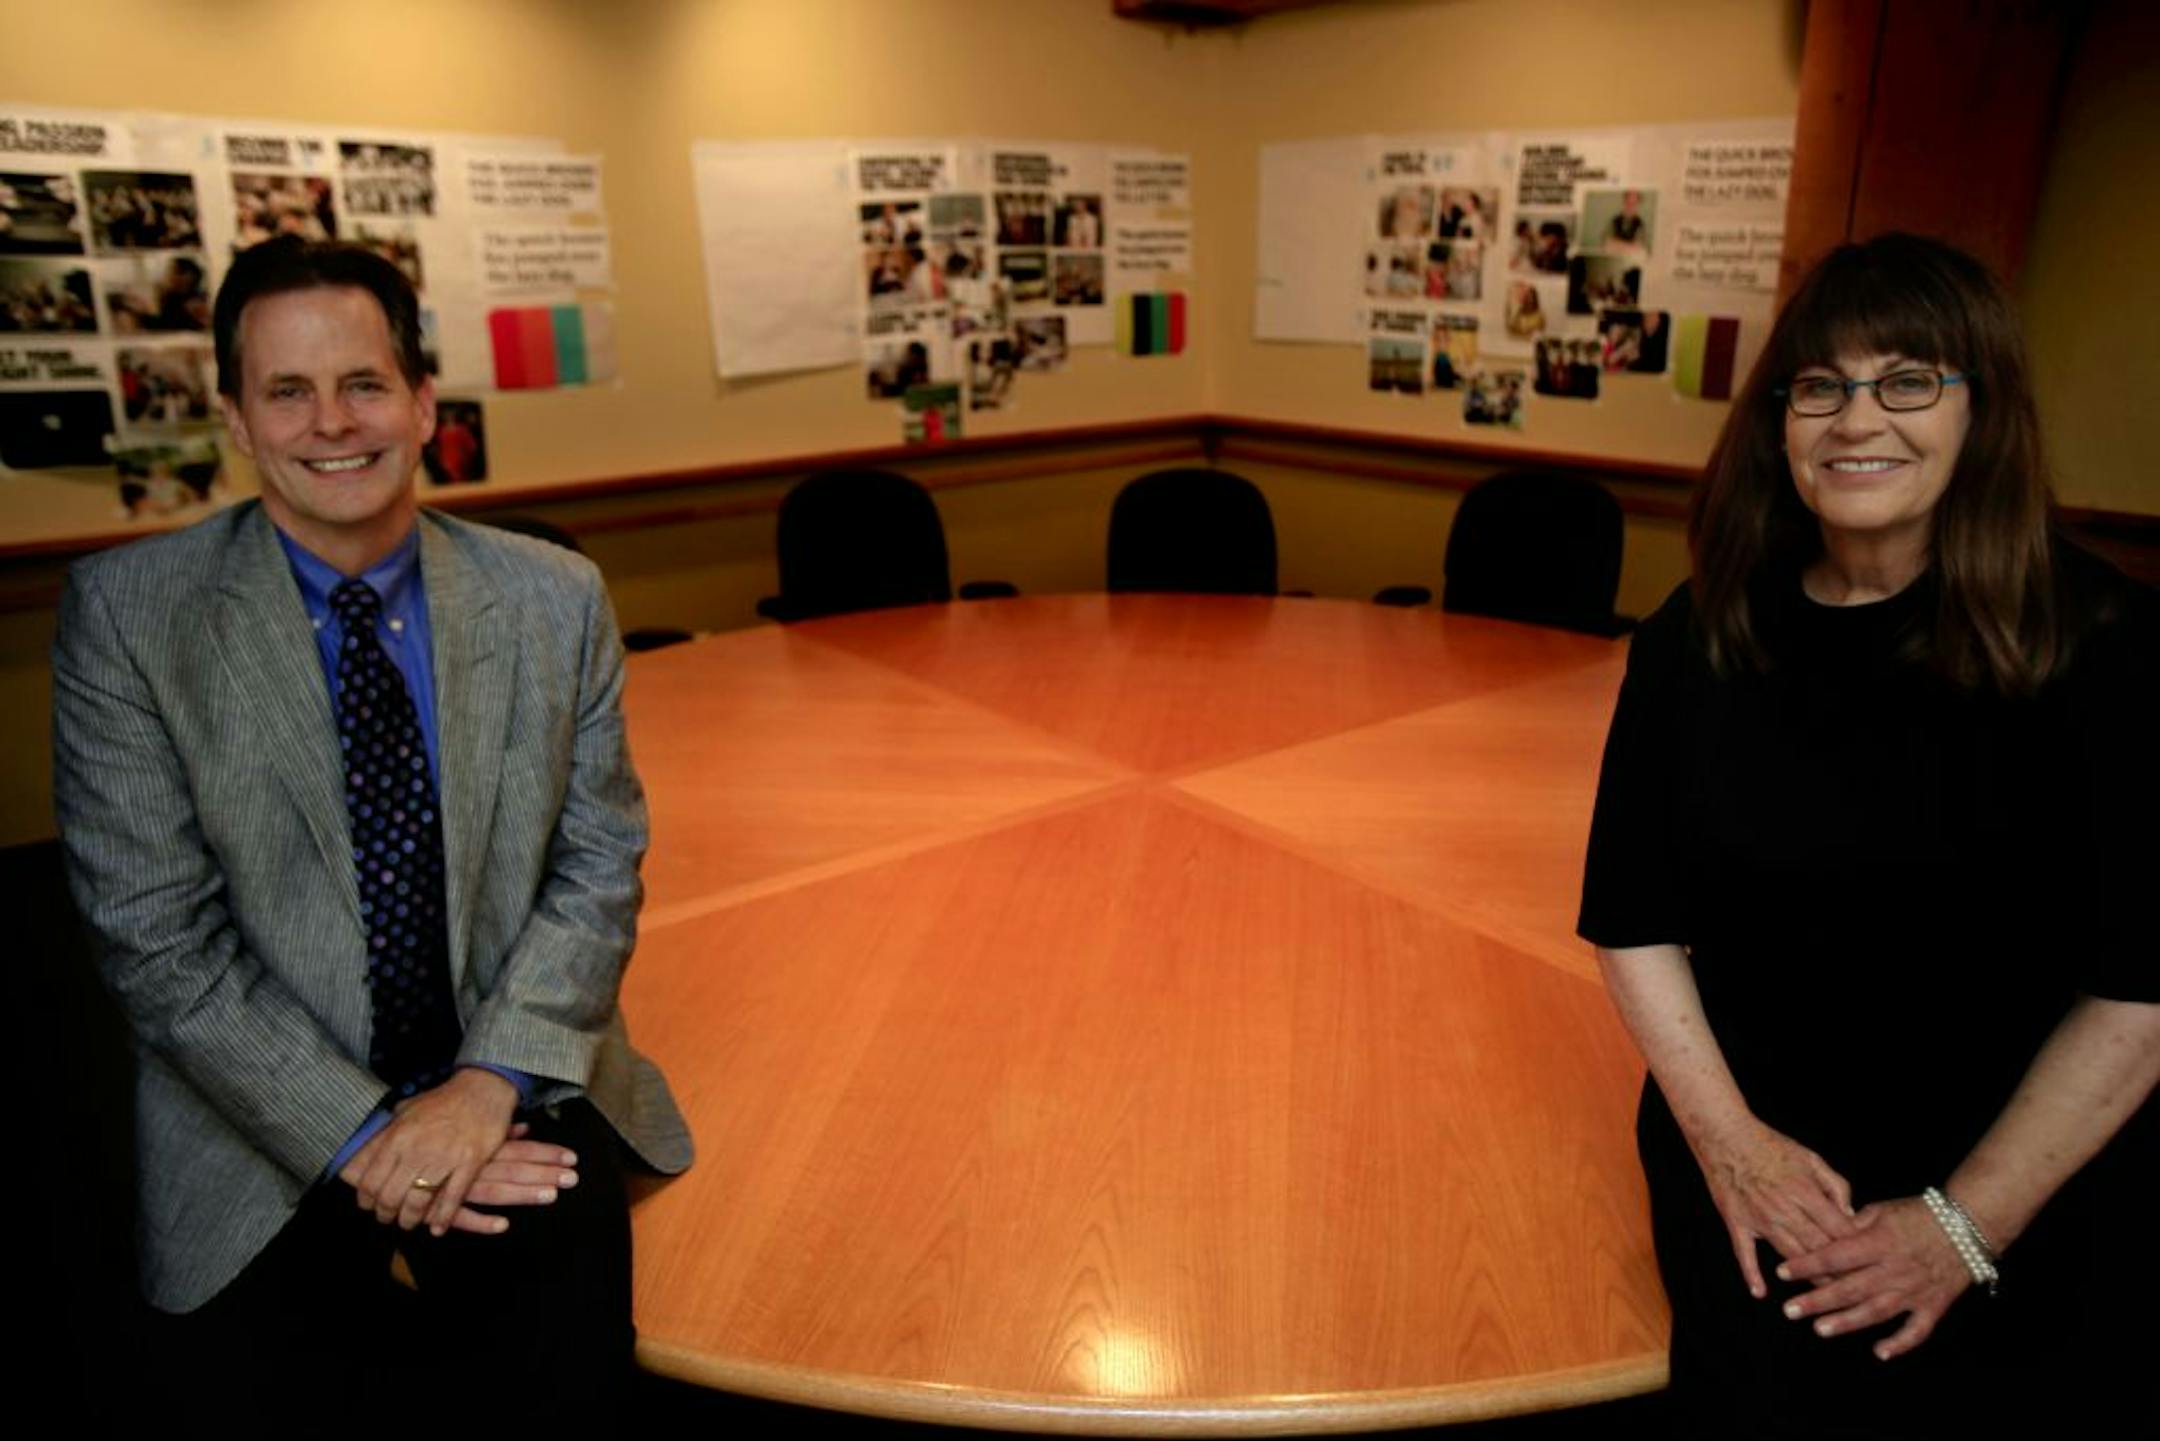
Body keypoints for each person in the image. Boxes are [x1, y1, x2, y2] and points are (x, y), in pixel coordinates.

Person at [52, 237, 692, 1428]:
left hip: (509, 1076)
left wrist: (484, 1087)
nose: (331, 422)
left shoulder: (553, 597)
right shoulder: (129, 617)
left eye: (362, 383)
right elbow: (156, 940)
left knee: (575, 1403)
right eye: (287, 391)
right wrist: (366, 1136)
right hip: (258, 1106)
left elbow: (597, 865)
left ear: (422, 402)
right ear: (238, 420)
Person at [1578, 233, 2157, 1438]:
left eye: (1907, 381)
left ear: (1981, 411)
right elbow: (1634, 920)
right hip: (1747, 1151)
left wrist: (1964, 1225)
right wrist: (1731, 1149)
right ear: (1780, 423)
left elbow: (2142, 989)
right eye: (1821, 386)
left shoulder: (2109, 646)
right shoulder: (1701, 630)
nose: (1856, 419)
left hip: (2014, 1175)